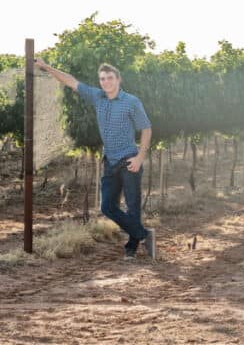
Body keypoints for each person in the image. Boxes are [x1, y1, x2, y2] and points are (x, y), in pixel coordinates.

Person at [34, 60, 156, 261]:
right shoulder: (97, 97)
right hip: (110, 160)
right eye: (102, 79)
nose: (106, 82)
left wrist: (140, 157)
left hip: (129, 160)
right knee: (107, 206)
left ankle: (132, 247)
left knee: (133, 206)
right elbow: (71, 81)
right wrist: (46, 67)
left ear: (118, 79)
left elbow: (146, 128)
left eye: (109, 78)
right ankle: (144, 234)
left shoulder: (131, 102)